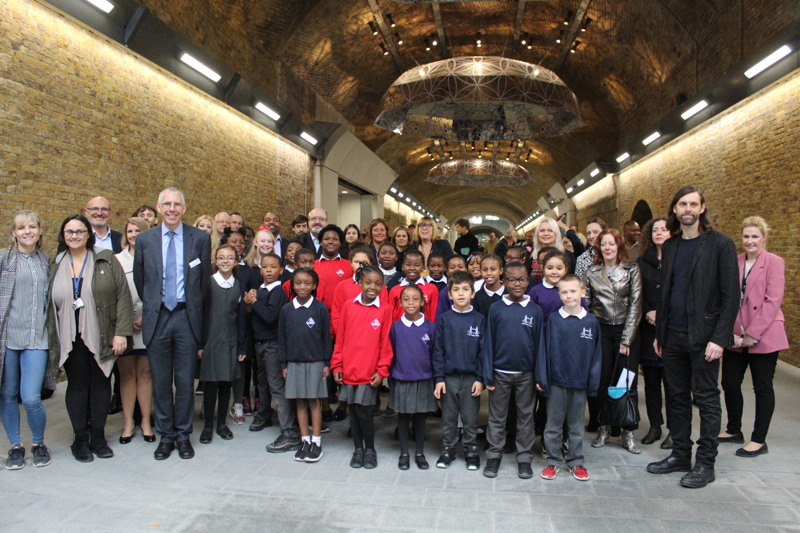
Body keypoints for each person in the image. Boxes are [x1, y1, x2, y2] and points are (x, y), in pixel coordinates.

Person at [647, 185, 739, 489]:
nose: (687, 209)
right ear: (675, 209)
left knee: (708, 399)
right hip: (672, 336)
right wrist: (660, 334)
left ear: (702, 208)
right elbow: (667, 294)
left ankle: (705, 462)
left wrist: (719, 338)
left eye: (693, 204)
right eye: (682, 204)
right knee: (675, 397)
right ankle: (681, 454)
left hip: (704, 338)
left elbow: (731, 297)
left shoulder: (720, 245)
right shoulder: (671, 246)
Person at [133, 187, 212, 461]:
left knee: (185, 380)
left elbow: (202, 284)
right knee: (162, 381)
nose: (172, 209)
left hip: (186, 317)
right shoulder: (145, 240)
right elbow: (142, 280)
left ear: (184, 209)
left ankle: (183, 434)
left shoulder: (200, 238)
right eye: (166, 204)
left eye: (177, 204)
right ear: (158, 207)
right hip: (158, 318)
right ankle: (166, 436)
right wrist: (155, 304)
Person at [48, 214, 132, 462]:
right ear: (63, 235)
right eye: (69, 232)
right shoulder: (55, 263)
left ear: (89, 235)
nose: (74, 236)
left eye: (79, 231)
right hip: (69, 336)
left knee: (100, 384)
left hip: (101, 334)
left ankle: (97, 436)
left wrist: (121, 333)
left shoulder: (105, 260)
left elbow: (123, 298)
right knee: (76, 386)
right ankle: (80, 439)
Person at [719, 216, 788, 458]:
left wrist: (752, 334)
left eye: (755, 237)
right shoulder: (735, 262)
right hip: (736, 335)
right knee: (729, 382)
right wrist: (733, 333)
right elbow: (727, 298)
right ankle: (733, 429)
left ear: (764, 238)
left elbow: (772, 301)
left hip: (765, 334)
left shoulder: (774, 263)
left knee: (762, 387)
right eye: (746, 237)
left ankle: (759, 439)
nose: (750, 241)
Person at [482, 262, 544, 480]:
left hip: (526, 374)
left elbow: (540, 346)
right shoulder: (496, 309)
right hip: (500, 372)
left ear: (528, 281)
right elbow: (488, 341)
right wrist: (487, 372)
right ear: (504, 281)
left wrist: (540, 375)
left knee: (526, 418)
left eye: (522, 280)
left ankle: (524, 458)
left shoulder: (535, 310)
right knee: (497, 417)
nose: (517, 284)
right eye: (512, 280)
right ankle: (494, 455)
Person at [536, 275, 602, 481]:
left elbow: (596, 356)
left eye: (573, 291)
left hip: (579, 383)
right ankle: (553, 461)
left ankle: (576, 461)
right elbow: (543, 351)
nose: (569, 295)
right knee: (553, 425)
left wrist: (593, 382)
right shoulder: (554, 321)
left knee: (575, 425)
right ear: (559, 295)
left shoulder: (591, 323)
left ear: (583, 293)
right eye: (564, 292)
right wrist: (543, 378)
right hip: (556, 382)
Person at [0, 210, 52, 469]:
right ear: (14, 233)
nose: (27, 231)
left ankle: (39, 443)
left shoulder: (46, 262)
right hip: (8, 339)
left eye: (32, 226)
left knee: (31, 397)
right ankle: (16, 446)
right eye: (22, 228)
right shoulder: (3, 261)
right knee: (7, 394)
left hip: (36, 339)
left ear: (40, 231)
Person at [583, 228, 642, 453]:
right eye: (603, 244)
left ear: (619, 246)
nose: (607, 248)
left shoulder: (632, 270)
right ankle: (604, 427)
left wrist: (627, 339)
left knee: (626, 382)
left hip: (626, 331)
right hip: (601, 331)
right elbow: (586, 304)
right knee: (602, 382)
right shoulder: (591, 271)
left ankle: (628, 430)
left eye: (611, 244)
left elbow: (636, 304)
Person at [331, 266, 393, 470]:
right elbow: (340, 339)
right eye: (368, 282)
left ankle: (370, 450)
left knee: (365, 412)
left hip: (369, 373)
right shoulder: (349, 306)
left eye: (377, 283)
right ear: (360, 283)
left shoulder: (384, 310)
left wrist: (382, 370)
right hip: (349, 370)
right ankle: (358, 449)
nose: (372, 287)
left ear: (382, 286)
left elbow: (386, 344)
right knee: (354, 412)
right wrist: (337, 364)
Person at [245, 253, 299, 449]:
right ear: (260, 270)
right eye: (265, 267)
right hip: (259, 343)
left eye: (273, 267)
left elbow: (269, 316)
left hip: (272, 344)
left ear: (281, 270)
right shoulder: (260, 289)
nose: (268, 270)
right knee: (261, 383)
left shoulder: (278, 292)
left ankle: (289, 430)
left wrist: (254, 302)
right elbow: (254, 316)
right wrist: (249, 303)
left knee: (276, 385)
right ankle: (264, 414)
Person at [432, 270, 484, 471]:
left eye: (465, 289)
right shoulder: (445, 319)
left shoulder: (479, 319)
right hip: (449, 378)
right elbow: (438, 350)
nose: (461, 293)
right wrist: (439, 378)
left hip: (471, 378)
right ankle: (448, 449)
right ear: (449, 294)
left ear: (472, 293)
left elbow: (483, 352)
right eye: (456, 290)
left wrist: (480, 378)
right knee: (449, 418)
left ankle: (471, 451)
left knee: (470, 418)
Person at [278, 268, 332, 463]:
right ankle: (304, 440)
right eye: (298, 283)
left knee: (314, 401)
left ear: (314, 285)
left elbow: (327, 337)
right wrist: (284, 363)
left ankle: (316, 441)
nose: (302, 287)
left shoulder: (320, 309)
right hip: (294, 363)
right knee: (299, 401)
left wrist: (326, 362)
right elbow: (282, 339)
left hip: (316, 362)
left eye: (307, 283)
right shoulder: (286, 310)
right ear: (292, 285)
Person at [198, 244, 246, 444]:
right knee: (210, 385)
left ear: (236, 261)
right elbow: (200, 315)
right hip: (210, 341)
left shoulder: (239, 285)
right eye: (221, 258)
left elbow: (242, 318)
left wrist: (242, 346)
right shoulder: (207, 283)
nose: (225, 261)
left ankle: (221, 424)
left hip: (231, 342)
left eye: (229, 258)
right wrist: (200, 343)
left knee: (226, 383)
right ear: (215, 261)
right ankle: (208, 425)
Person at [114, 217, 155, 444]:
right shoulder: (117, 260)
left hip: (148, 324)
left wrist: (145, 317)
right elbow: (114, 295)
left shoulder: (153, 258)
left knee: (146, 375)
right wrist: (126, 320)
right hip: (125, 326)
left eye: (138, 231)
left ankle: (146, 421)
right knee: (127, 375)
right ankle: (128, 422)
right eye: (130, 231)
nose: (134, 235)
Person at [389, 285, 437, 470]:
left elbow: (434, 353)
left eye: (415, 299)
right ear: (400, 303)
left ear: (423, 302)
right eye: (406, 299)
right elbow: (392, 353)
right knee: (402, 417)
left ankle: (419, 452)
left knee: (420, 417)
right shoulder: (395, 327)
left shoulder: (430, 328)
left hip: (423, 378)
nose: (411, 303)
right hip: (402, 378)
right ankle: (403, 453)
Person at [637, 217, 673, 449]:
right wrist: (648, 311)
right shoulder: (642, 262)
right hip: (648, 328)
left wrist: (664, 313)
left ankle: (674, 429)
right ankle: (655, 426)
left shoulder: (679, 259)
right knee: (651, 382)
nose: (659, 233)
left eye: (664, 229)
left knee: (673, 383)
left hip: (672, 329)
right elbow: (637, 292)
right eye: (655, 230)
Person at [388, 250, 439, 322]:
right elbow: (390, 316)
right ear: (402, 267)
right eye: (408, 265)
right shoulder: (394, 290)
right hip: (400, 331)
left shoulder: (432, 289)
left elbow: (433, 314)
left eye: (417, 265)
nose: (412, 268)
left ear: (423, 268)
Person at [314, 225, 353, 306]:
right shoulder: (313, 265)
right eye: (326, 239)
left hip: (342, 313)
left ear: (340, 243)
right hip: (318, 313)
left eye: (335, 239)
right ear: (321, 242)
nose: (330, 242)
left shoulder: (350, 265)